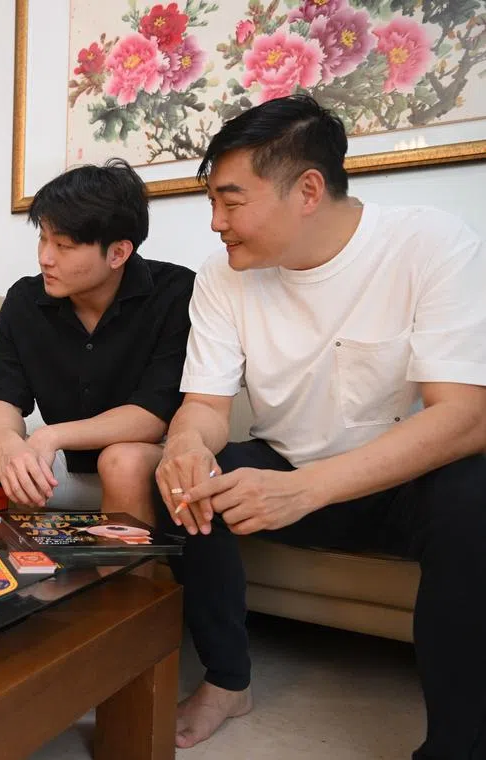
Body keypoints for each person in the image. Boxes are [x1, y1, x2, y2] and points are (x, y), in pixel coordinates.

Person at [155, 95, 486, 756]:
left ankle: (457, 745)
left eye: (231, 201)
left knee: (475, 497)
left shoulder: (429, 243)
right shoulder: (222, 277)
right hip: (286, 467)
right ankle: (227, 681)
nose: (216, 223)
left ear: (308, 190)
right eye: (211, 202)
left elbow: (466, 416)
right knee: (179, 487)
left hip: (402, 481)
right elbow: (206, 407)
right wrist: (184, 446)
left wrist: (307, 489)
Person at [0, 159, 195, 519]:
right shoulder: (24, 301)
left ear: (118, 253)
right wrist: (10, 446)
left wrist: (50, 436)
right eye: (43, 238)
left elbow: (151, 417)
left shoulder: (175, 294)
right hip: (64, 462)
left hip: (144, 460)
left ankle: (128, 561)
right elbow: (3, 398)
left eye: (64, 245)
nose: (45, 258)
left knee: (121, 461)